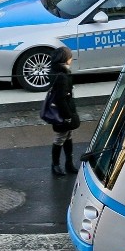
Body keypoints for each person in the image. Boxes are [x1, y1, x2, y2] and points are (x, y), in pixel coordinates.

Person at [49, 46, 81, 176]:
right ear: (65, 59)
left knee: (67, 136)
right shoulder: (62, 76)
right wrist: (68, 116)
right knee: (61, 138)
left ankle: (68, 163)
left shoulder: (57, 72)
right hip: (63, 113)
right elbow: (61, 99)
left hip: (62, 111)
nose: (71, 59)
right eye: (70, 57)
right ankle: (56, 165)